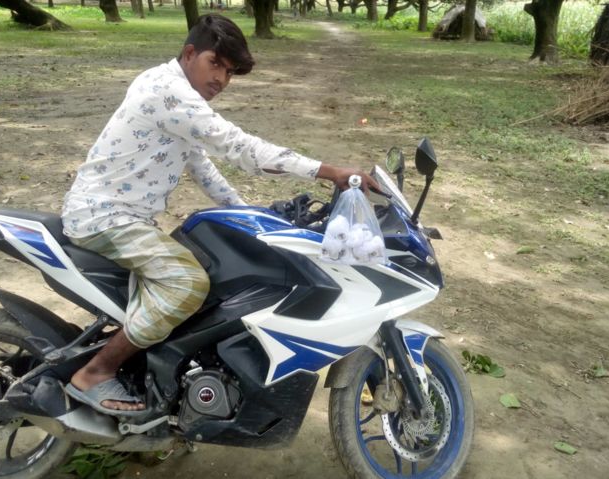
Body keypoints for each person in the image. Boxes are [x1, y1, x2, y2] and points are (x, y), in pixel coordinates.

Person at [61, 14, 380, 415]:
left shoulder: (170, 88)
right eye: (215, 64)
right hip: (106, 217)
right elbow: (239, 147)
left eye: (229, 72)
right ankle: (96, 372)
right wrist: (328, 170)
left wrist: (249, 215)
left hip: (125, 215)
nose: (221, 80)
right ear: (189, 53)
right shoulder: (169, 92)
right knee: (187, 284)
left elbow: (201, 166)